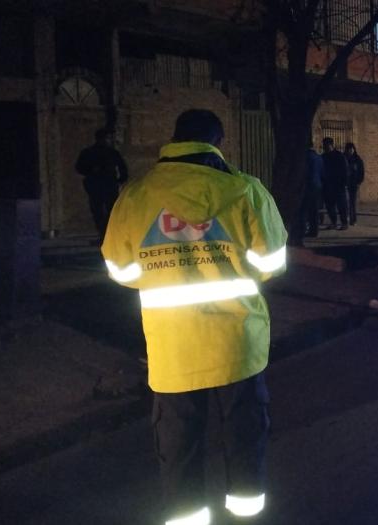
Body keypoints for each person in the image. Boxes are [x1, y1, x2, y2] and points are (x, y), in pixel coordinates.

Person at [101, 109, 287, 525]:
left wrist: (165, 267)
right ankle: (246, 516)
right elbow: (272, 262)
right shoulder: (245, 191)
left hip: (174, 347)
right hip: (238, 341)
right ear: (217, 142)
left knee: (179, 447)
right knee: (243, 437)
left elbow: (120, 271)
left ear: (175, 139)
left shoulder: (136, 195)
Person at [76, 128, 128, 240]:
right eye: (107, 138)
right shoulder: (107, 153)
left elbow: (123, 169)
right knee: (102, 212)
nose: (107, 141)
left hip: (105, 185)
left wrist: (120, 180)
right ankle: (105, 234)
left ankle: (105, 234)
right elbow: (80, 168)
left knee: (104, 212)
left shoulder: (108, 153)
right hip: (101, 185)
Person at [320, 137, 350, 230]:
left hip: (338, 185)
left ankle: (344, 223)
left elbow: (345, 170)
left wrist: (344, 183)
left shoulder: (339, 156)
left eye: (326, 146)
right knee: (330, 206)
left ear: (331, 145)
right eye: (324, 146)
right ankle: (334, 222)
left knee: (342, 206)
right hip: (328, 185)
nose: (325, 148)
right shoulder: (323, 157)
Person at [302, 140, 324, 237]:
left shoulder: (305, 158)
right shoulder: (319, 158)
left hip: (308, 186)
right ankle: (315, 230)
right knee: (315, 209)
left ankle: (306, 229)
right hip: (318, 185)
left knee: (305, 209)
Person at [344, 142, 364, 226]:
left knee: (353, 202)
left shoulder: (357, 159)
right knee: (347, 202)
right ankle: (347, 218)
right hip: (346, 183)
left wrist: (359, 182)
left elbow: (361, 171)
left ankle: (353, 219)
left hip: (354, 183)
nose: (350, 151)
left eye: (351, 149)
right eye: (349, 149)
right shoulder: (344, 158)